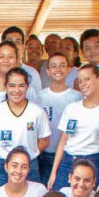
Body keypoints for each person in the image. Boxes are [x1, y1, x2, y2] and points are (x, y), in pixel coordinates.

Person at [0, 67, 51, 185]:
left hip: (30, 165)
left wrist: (31, 153)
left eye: (21, 85)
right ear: (5, 86)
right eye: (12, 85)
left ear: (27, 87)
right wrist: (5, 156)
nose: (17, 90)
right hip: (3, 166)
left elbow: (44, 140)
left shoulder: (37, 112)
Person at [48, 63, 99, 190]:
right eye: (80, 81)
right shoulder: (72, 108)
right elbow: (63, 142)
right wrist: (54, 172)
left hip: (94, 161)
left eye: (87, 79)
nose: (83, 84)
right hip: (68, 161)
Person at [37, 52, 82, 184]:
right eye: (54, 66)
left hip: (67, 153)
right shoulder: (40, 96)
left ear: (69, 69)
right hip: (45, 153)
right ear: (48, 71)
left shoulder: (76, 96)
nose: (58, 69)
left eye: (62, 65)